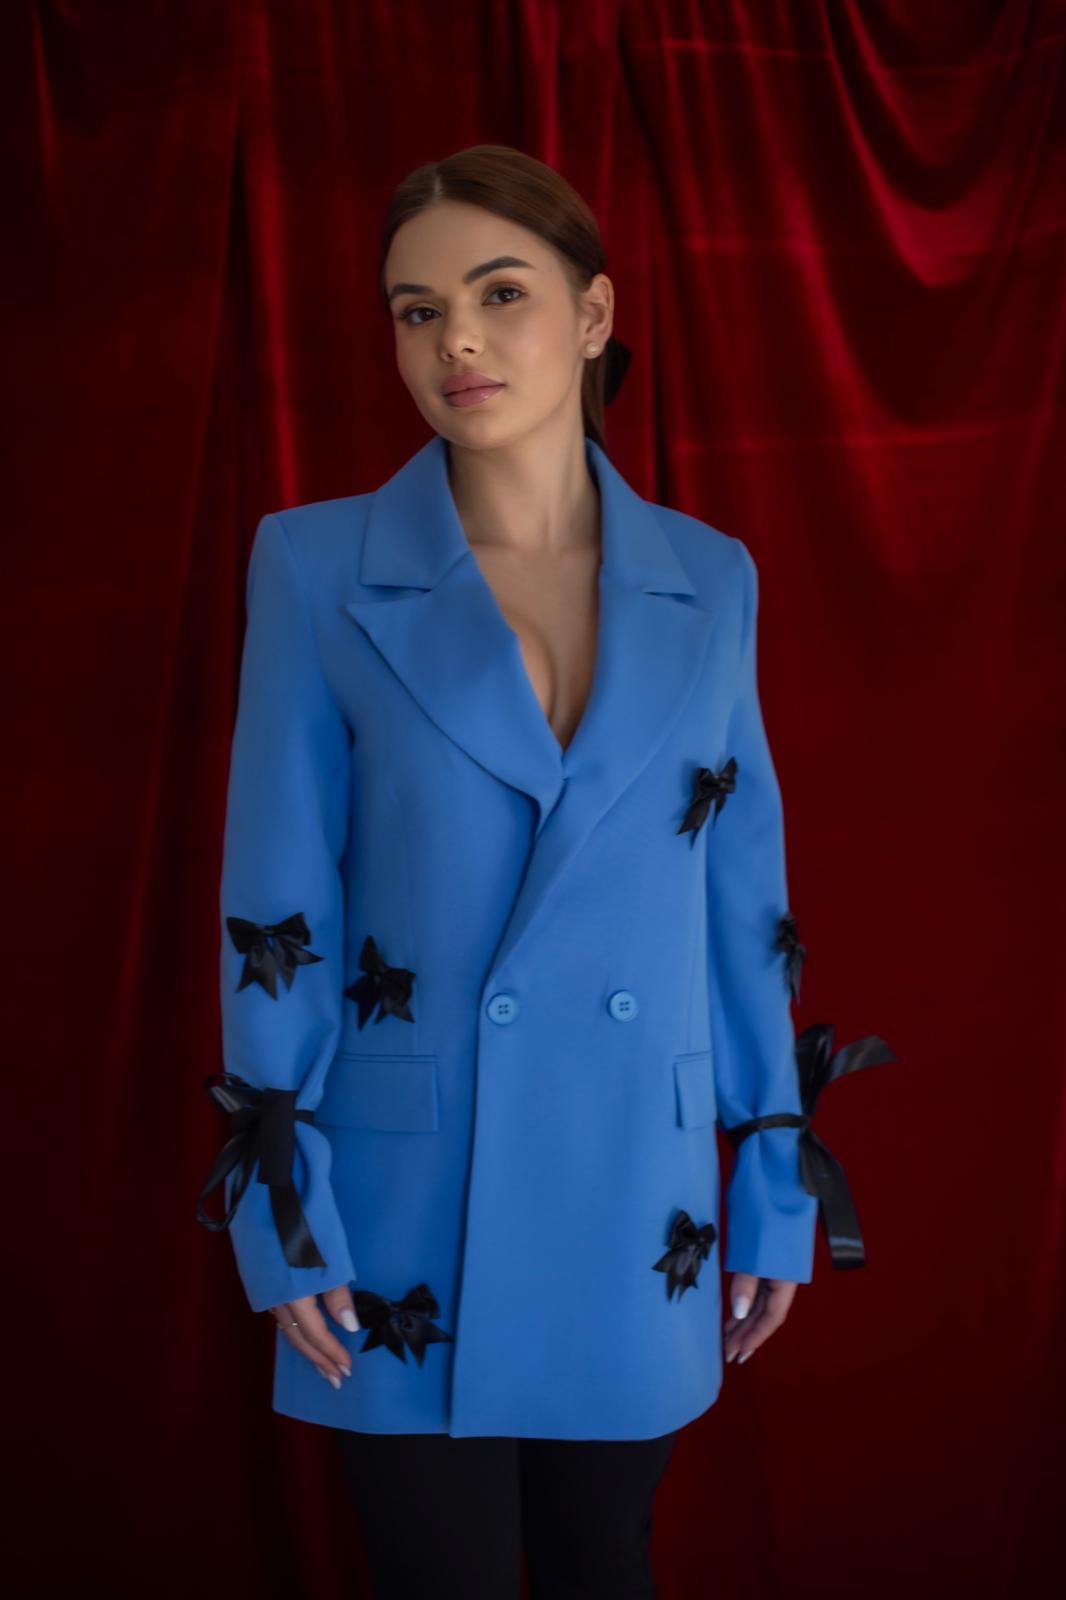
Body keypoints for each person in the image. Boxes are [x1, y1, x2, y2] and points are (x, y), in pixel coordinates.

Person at [196, 143, 889, 1598]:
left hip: (638, 1188)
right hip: (396, 1194)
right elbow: (276, 899)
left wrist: (773, 1172)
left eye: (498, 293)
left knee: (601, 1563)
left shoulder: (711, 579)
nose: (454, 339)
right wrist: (281, 1203)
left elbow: (741, 901)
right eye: (416, 310)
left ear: (592, 313)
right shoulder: (313, 567)